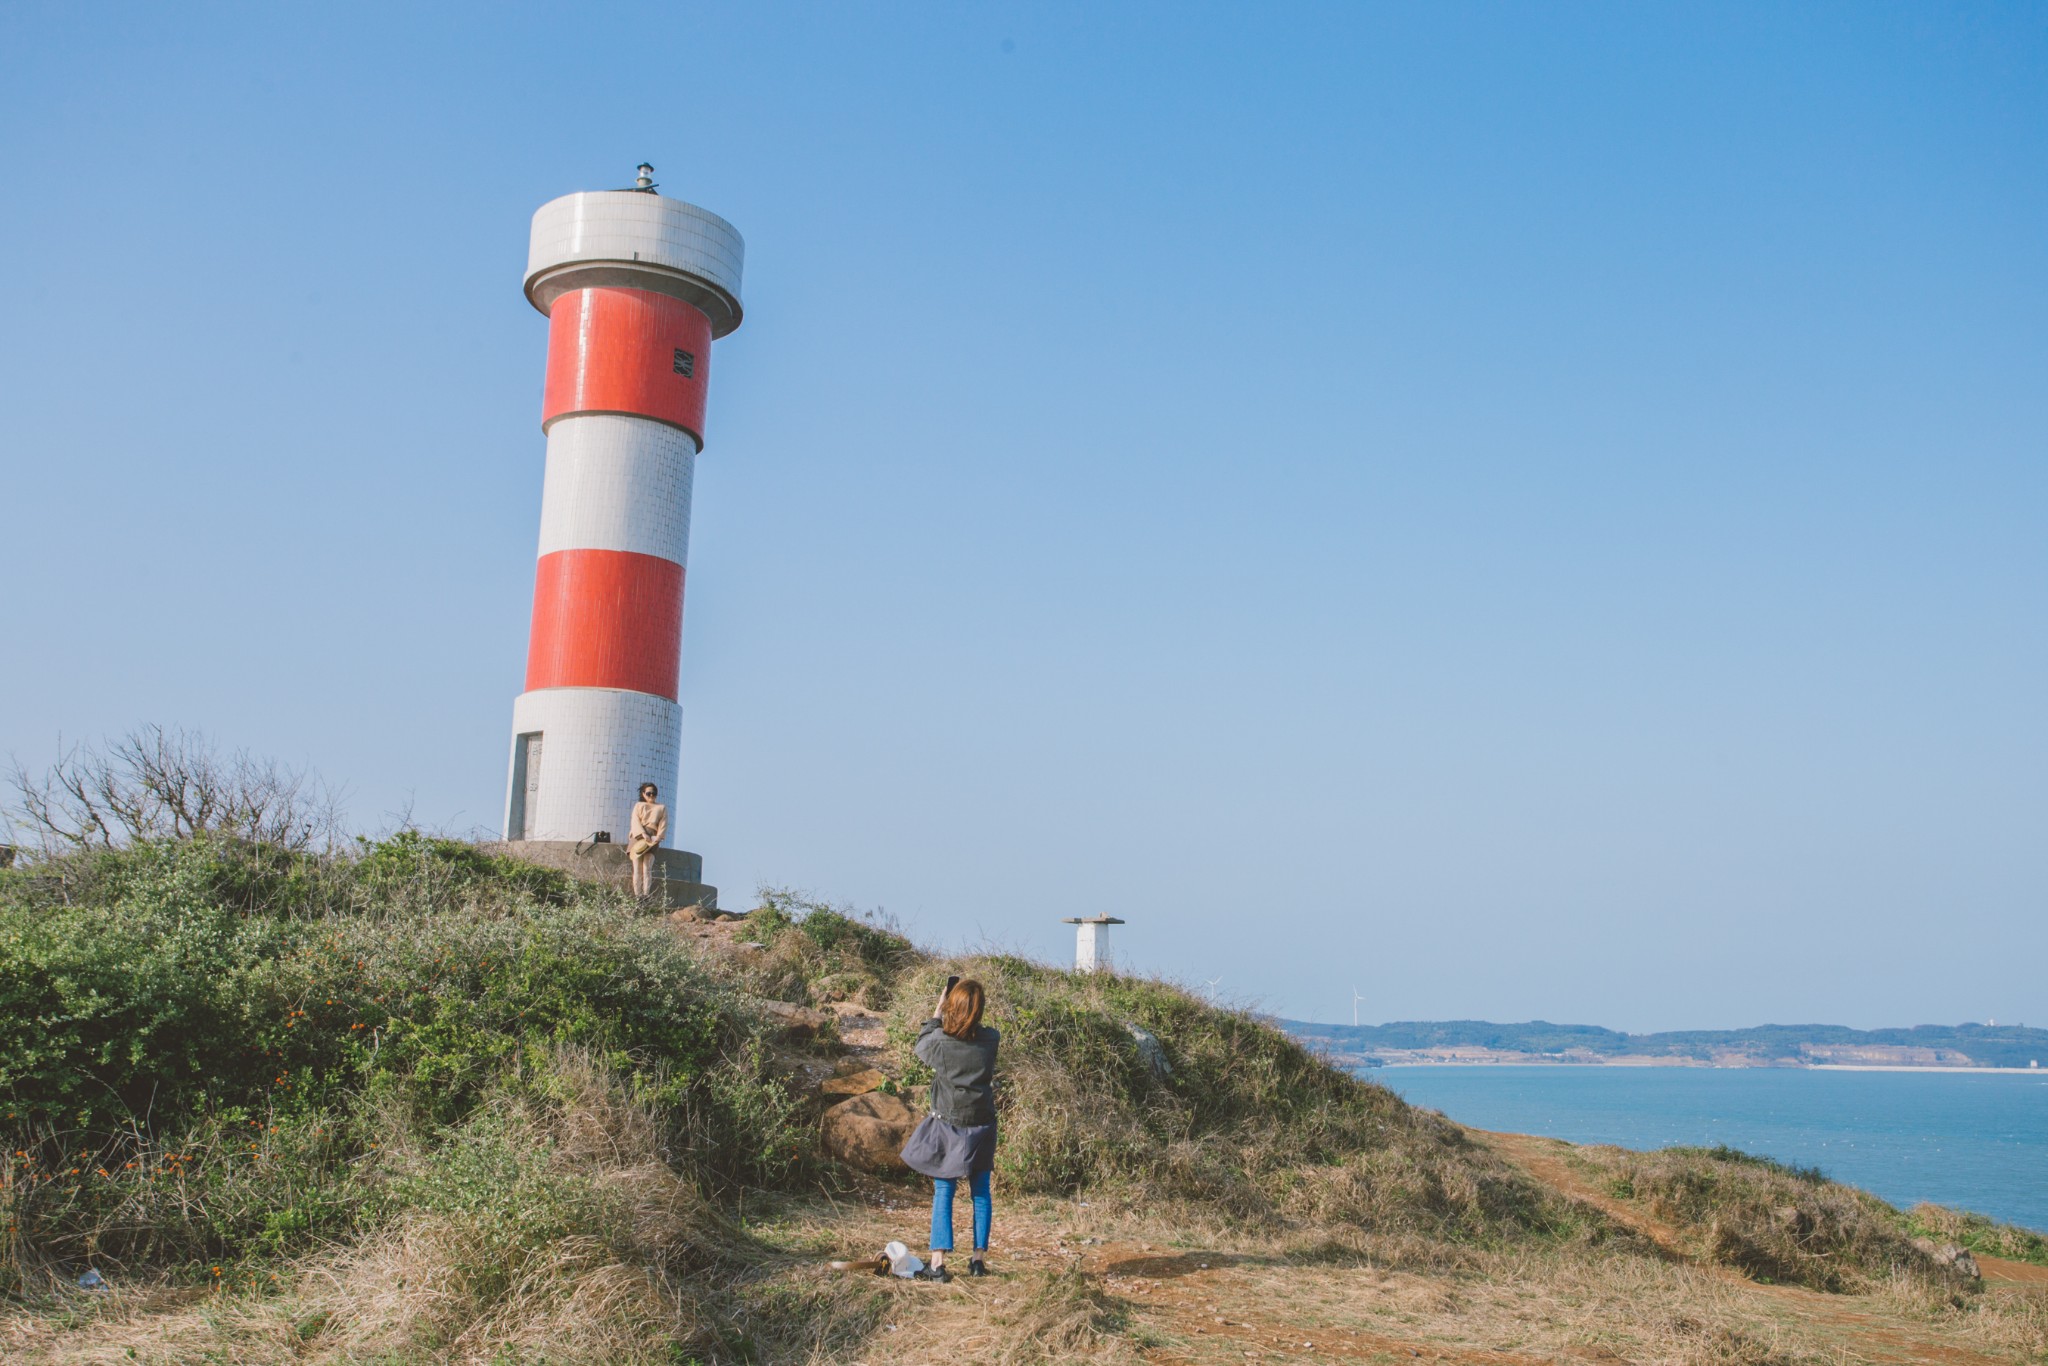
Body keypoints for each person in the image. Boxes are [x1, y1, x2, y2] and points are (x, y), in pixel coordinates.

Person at [900, 976, 999, 1282]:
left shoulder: (942, 1044)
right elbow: (973, 1033)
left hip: (950, 1125)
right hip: (983, 1123)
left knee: (945, 1189)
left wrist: (937, 1009)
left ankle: (938, 1263)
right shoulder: (991, 1040)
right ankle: (978, 1260)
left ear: (951, 1008)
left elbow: (922, 1041)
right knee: (981, 1191)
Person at [626, 783, 667, 899]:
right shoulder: (639, 805)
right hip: (638, 835)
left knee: (647, 867)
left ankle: (645, 894)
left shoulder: (661, 808)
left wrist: (658, 837)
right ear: (643, 794)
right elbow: (635, 820)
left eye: (654, 793)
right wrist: (643, 833)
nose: (651, 796)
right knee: (637, 867)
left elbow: (663, 825)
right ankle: (637, 895)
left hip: (652, 837)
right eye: (648, 793)